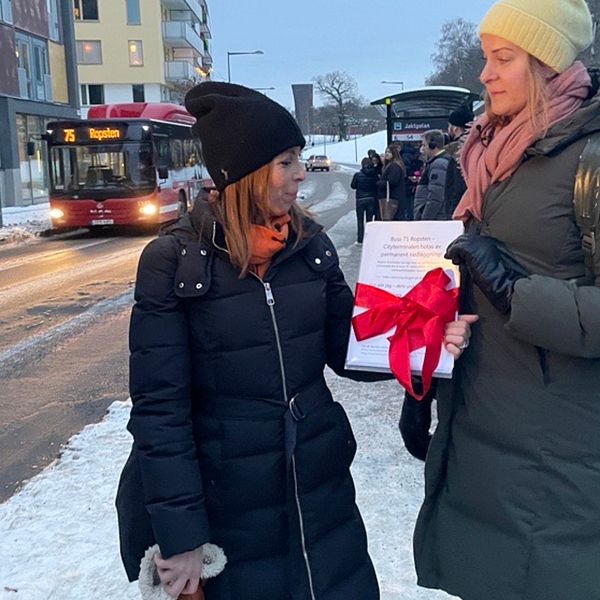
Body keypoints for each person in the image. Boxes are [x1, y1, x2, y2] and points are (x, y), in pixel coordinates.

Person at [115, 81, 473, 600]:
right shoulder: (174, 264)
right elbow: (159, 412)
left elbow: (350, 344)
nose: (301, 173)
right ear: (243, 172)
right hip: (230, 506)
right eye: (286, 161)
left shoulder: (310, 245)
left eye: (298, 158)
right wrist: (182, 537)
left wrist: (432, 337)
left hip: (319, 492)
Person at [411, 1, 600, 599]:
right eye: (485, 58)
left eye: (503, 59)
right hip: (479, 421)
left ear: (547, 65)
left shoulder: (589, 158)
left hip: (559, 446)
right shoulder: (489, 155)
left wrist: (516, 292)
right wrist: (428, 365)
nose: (485, 74)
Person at [413, 130, 458, 221]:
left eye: (424, 145)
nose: (422, 148)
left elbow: (436, 195)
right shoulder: (440, 162)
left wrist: (425, 217)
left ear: (432, 145)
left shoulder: (438, 164)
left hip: (436, 217)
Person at [350, 157, 379, 244]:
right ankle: (369, 237)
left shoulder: (358, 175)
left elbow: (353, 186)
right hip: (371, 199)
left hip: (360, 199)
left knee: (360, 220)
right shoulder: (375, 175)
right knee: (369, 220)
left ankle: (360, 239)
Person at [376, 144, 407, 220]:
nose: (386, 154)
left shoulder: (394, 166)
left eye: (389, 152)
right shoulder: (395, 164)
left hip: (392, 198)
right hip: (395, 197)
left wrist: (379, 183)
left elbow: (392, 182)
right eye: (386, 151)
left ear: (394, 153)